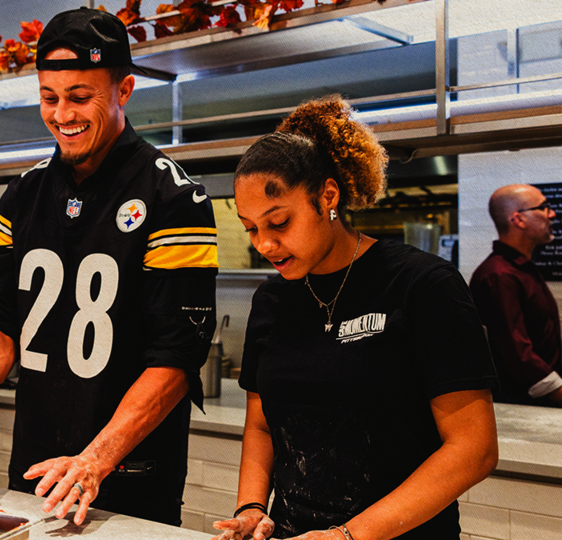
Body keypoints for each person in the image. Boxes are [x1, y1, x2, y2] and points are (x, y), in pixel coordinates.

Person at [0, 8, 218, 527]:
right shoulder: (22, 195)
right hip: (36, 469)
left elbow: (175, 359)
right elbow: (0, 316)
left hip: (129, 475)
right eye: (49, 98)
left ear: (124, 90)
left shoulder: (174, 198)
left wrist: (98, 458)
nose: (62, 114)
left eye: (80, 97)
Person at [212, 97, 499, 540]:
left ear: (327, 196)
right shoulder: (272, 300)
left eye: (279, 222)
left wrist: (348, 535)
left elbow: (473, 448)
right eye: (252, 228)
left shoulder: (423, 284)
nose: (265, 245)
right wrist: (251, 507)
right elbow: (262, 424)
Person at [470, 184, 562, 407]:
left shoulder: (522, 269)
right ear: (519, 219)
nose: (552, 213)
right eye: (544, 207)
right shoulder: (499, 276)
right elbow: (517, 353)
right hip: (521, 404)